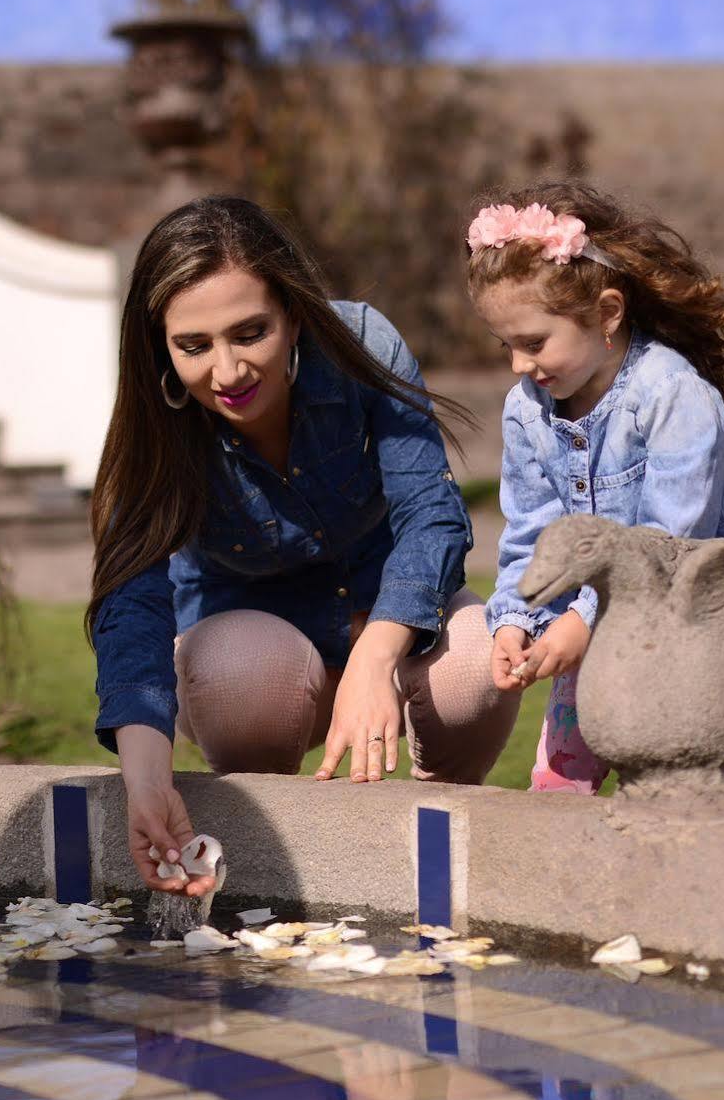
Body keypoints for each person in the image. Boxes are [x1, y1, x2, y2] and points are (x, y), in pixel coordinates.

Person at [88, 195, 519, 896]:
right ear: (160, 345)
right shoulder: (157, 422)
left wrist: (377, 652)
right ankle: (266, 863)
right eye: (193, 346)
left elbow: (431, 514)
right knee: (238, 671)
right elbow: (131, 602)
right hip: (258, 663)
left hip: (393, 621)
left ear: (291, 313)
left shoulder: (360, 345)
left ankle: (437, 853)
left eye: (249, 332)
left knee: (474, 659)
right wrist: (145, 780)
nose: (227, 372)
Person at [466, 180, 724, 794]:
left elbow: (668, 540)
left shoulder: (673, 396)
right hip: (587, 631)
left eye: (534, 343)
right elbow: (533, 531)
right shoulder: (527, 409)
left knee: (678, 790)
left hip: (694, 628)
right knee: (558, 789)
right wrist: (516, 618)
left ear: (607, 314)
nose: (518, 365)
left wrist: (583, 621)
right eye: (506, 345)